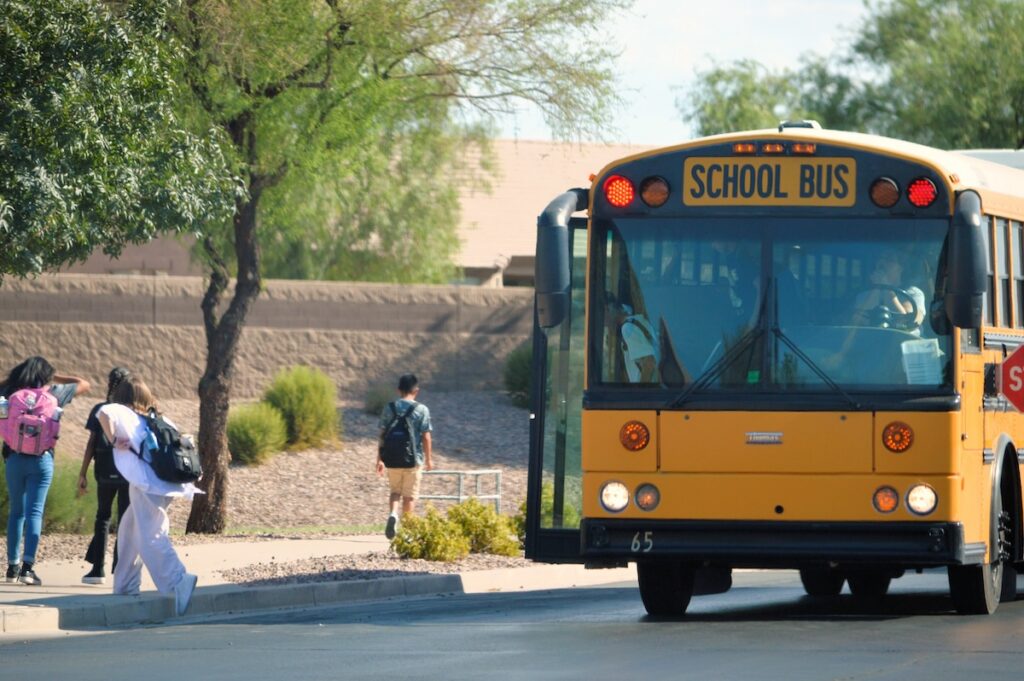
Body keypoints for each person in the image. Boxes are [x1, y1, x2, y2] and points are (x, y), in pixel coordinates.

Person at [97, 375, 198, 616]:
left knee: (150, 534)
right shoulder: (160, 419)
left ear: (121, 397)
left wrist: (113, 440)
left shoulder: (123, 412)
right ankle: (125, 585)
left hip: (146, 483)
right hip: (168, 483)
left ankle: (179, 580)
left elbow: (104, 413)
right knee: (131, 529)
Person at [2, 356, 90, 586]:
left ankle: (12, 568)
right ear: (46, 375)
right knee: (35, 513)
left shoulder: (9, 392)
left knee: (16, 512)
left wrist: (14, 378)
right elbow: (84, 383)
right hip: (42, 460)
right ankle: (28, 570)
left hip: (13, 459)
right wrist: (55, 375)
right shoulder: (55, 393)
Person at [76, 367, 132, 585]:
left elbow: (91, 443)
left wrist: (82, 473)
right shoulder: (133, 410)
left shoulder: (100, 409)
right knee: (124, 520)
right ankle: (120, 569)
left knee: (103, 518)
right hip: (127, 472)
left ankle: (97, 569)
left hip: (104, 471)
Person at [376, 374, 433, 539]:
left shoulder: (390, 408)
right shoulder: (422, 409)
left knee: (395, 492)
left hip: (392, 460)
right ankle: (407, 531)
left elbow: (382, 435)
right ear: (416, 391)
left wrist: (379, 460)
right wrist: (429, 459)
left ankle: (393, 514)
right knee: (409, 496)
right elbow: (426, 436)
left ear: (398, 390)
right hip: (413, 461)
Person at [852, 249, 926, 332]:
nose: (882, 262)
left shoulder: (914, 293)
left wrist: (886, 287)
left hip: (905, 342)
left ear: (901, 268)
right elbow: (857, 322)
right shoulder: (864, 295)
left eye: (889, 260)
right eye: (880, 259)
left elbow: (906, 324)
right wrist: (877, 288)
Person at [608, 299, 659, 383]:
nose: (606, 316)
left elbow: (649, 363)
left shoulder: (627, 328)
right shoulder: (638, 320)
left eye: (607, 310)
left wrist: (640, 390)